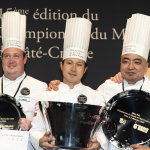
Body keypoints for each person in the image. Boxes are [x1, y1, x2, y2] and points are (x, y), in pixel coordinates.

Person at [48, 14, 150, 150]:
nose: (130, 67)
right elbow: (89, 116)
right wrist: (57, 87)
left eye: (137, 62)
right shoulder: (108, 86)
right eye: (125, 61)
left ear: (146, 65)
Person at [30, 17, 106, 150]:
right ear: (61, 65)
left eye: (79, 64)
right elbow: (36, 128)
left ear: (85, 69)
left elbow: (103, 129)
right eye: (69, 63)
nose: (73, 69)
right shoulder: (47, 96)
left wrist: (98, 142)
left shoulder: (96, 97)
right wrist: (41, 140)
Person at [1, 11, 48, 150]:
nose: (11, 61)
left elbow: (47, 131)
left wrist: (31, 126)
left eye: (16, 56)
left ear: (25, 59)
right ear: (2, 59)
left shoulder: (41, 88)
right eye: (7, 56)